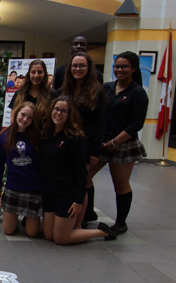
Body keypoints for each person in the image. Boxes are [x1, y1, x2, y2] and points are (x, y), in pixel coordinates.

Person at [39, 96, 117, 244]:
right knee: (48, 235)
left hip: (67, 194)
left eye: (64, 111)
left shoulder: (75, 138)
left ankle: (102, 231)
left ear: (70, 115)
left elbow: (82, 172)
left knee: (60, 239)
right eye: (56, 109)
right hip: (49, 192)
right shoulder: (46, 135)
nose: (59, 113)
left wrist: (78, 201)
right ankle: (69, 228)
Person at [87, 51, 149, 236]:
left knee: (120, 184)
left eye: (124, 67)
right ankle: (88, 213)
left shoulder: (138, 93)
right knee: (84, 177)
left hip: (123, 144)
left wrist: (115, 142)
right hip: (101, 142)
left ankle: (120, 223)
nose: (119, 70)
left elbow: (136, 124)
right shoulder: (106, 88)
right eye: (116, 66)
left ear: (133, 69)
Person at [58, 52, 107, 222]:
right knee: (70, 181)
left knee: (83, 182)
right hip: (65, 143)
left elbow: (100, 123)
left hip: (85, 145)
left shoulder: (97, 91)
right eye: (74, 66)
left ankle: (81, 221)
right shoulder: (65, 89)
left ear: (89, 68)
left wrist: (95, 151)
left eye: (81, 66)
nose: (77, 69)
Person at [0, 102, 42, 237]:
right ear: (16, 114)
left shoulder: (38, 137)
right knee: (8, 231)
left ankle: (29, 219)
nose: (25, 119)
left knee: (32, 233)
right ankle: (18, 218)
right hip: (13, 187)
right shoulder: (3, 137)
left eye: (30, 118)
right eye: (23, 115)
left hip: (33, 188)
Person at [8, 59, 58, 126]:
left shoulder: (52, 94)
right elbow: (13, 119)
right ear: (29, 74)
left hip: (43, 135)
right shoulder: (19, 93)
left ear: (45, 74)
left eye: (40, 72)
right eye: (33, 72)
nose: (36, 75)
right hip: (22, 134)